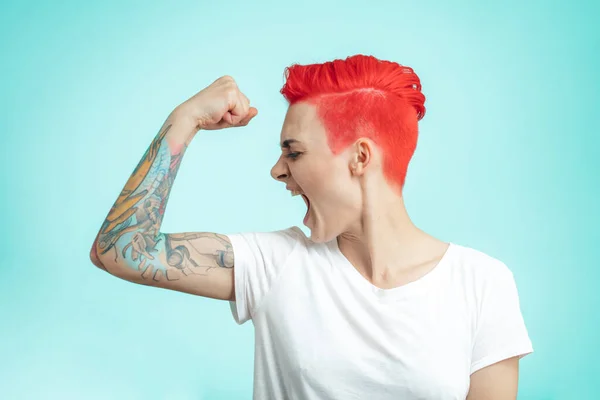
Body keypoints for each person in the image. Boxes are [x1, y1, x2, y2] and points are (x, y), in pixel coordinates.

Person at [90, 54, 533, 400]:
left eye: (294, 153)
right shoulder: (273, 265)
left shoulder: (481, 284)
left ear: (360, 158)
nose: (277, 171)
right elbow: (119, 249)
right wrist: (185, 118)